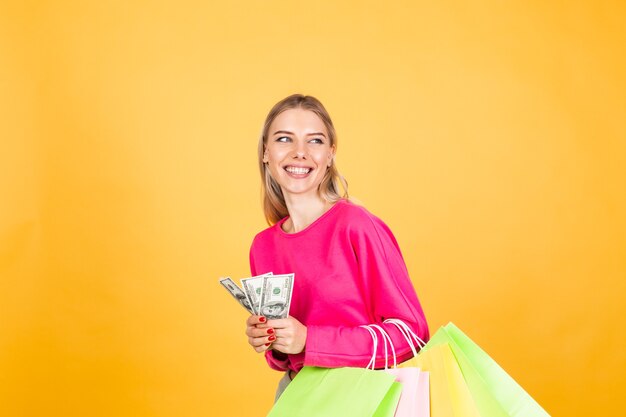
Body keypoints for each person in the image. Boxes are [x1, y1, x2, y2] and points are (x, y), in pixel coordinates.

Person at [245, 94, 429, 401]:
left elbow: (411, 334)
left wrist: (309, 339)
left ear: (330, 154)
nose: (299, 152)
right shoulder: (262, 247)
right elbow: (283, 359)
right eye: (284, 139)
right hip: (296, 396)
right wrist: (272, 338)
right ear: (266, 152)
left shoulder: (356, 225)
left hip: (360, 397)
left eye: (314, 141)